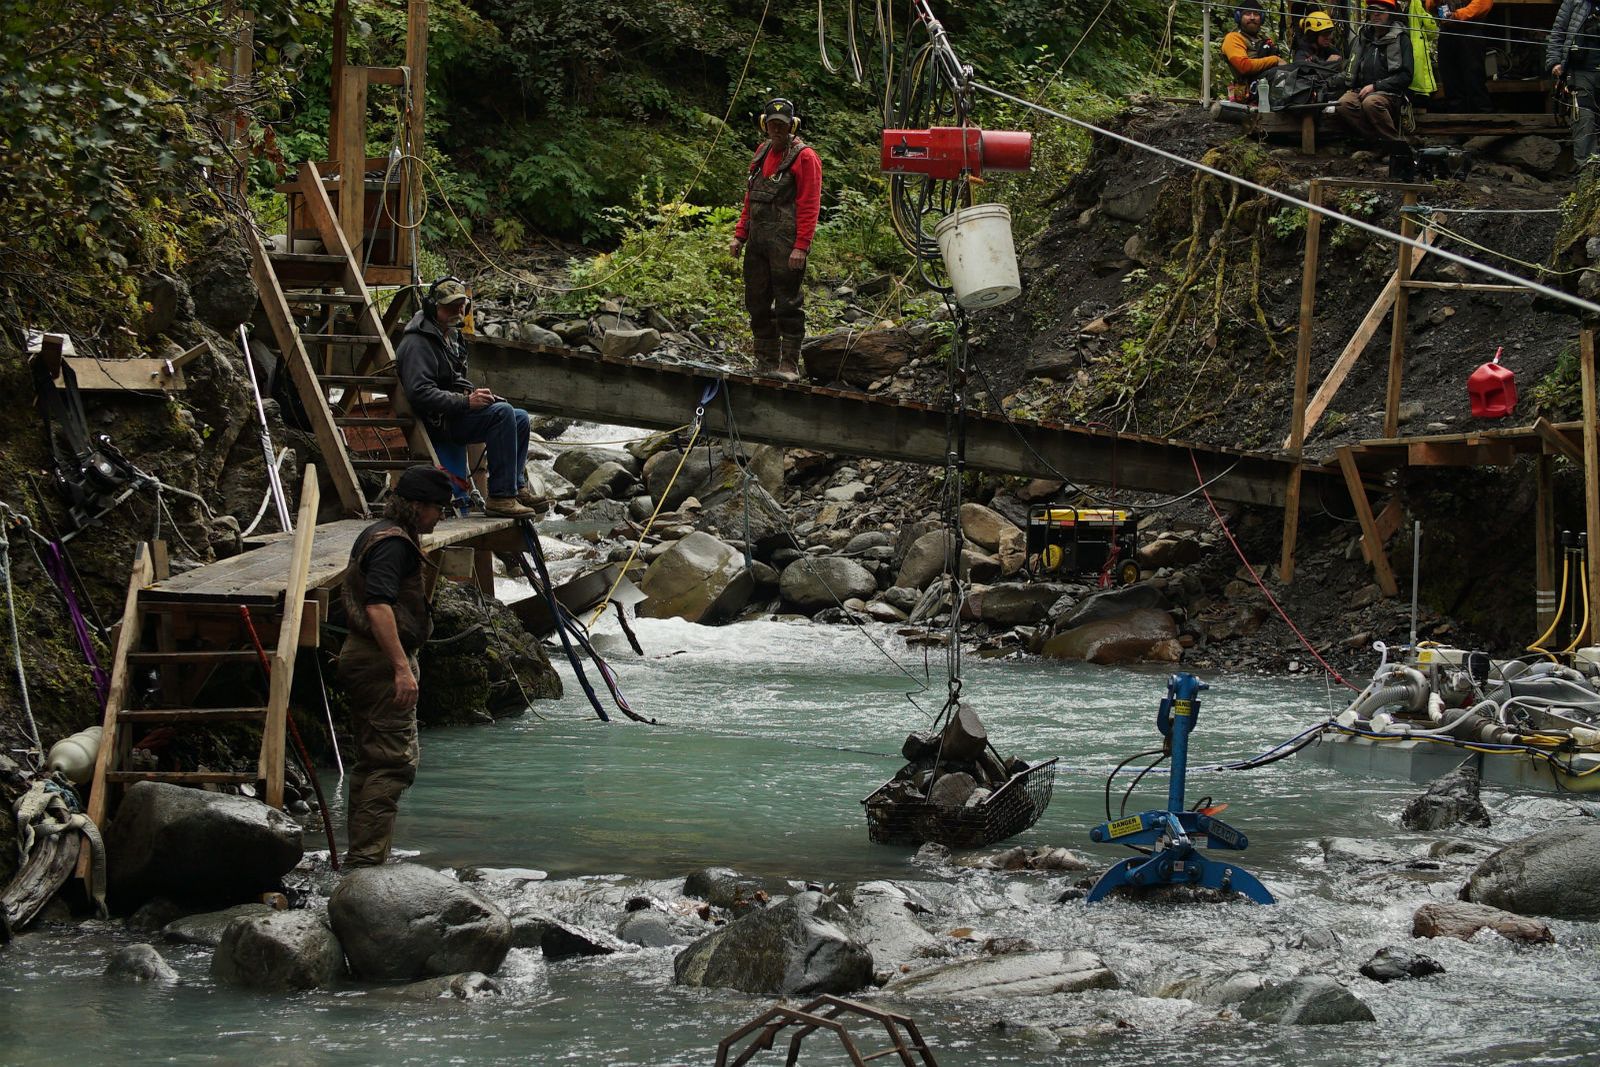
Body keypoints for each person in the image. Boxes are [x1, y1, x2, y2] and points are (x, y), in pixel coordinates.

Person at [337, 465, 451, 868]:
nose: (441, 516)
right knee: (392, 761)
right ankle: (366, 861)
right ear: (418, 507)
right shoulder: (394, 544)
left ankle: (363, 854)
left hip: (362, 655)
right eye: (439, 508)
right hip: (379, 659)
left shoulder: (375, 532)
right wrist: (401, 668)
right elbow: (378, 605)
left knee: (371, 759)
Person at [396, 277, 538, 518]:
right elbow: (419, 393)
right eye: (450, 306)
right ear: (432, 307)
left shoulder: (450, 336)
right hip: (438, 422)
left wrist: (478, 396)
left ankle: (516, 487)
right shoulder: (417, 342)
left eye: (461, 305)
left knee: (520, 417)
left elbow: (453, 380)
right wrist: (465, 402)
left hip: (453, 412)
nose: (458, 310)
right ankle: (501, 497)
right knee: (502, 415)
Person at [728, 98, 822, 382]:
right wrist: (739, 235)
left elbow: (810, 204)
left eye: (782, 125)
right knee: (756, 301)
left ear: (792, 126)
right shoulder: (761, 152)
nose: (776, 130)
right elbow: (750, 197)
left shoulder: (805, 157)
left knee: (788, 304)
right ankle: (765, 361)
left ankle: (789, 365)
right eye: (772, 124)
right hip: (757, 242)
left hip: (786, 243)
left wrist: (801, 246)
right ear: (764, 125)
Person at [1334, 0, 1415, 148]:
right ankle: (1376, 142)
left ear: (1390, 14)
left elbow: (1406, 76)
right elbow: (1350, 71)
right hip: (1363, 91)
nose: (1376, 14)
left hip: (1391, 95)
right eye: (1372, 10)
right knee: (1343, 104)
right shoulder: (1364, 38)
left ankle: (1397, 146)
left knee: (1371, 103)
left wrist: (1376, 86)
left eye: (1381, 11)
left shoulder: (1401, 39)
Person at [1547, 0, 1600, 166]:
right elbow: (1558, 32)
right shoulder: (1573, 2)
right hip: (1581, 71)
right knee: (1584, 119)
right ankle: (1587, 175)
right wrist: (1554, 61)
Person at [1436, 0, 1494, 112]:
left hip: (1470, 31)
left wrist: (1457, 16)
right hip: (1447, 32)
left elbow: (1483, 3)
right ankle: (1456, 116)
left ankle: (1482, 115)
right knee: (1449, 77)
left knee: (1474, 76)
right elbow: (1431, 5)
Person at [1222, 3, 1283, 102]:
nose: (1252, 17)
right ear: (1238, 17)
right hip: (1249, 91)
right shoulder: (1233, 38)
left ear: (1261, 18)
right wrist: (1275, 60)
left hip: (1271, 85)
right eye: (1247, 13)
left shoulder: (1265, 40)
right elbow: (1244, 66)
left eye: (1256, 14)